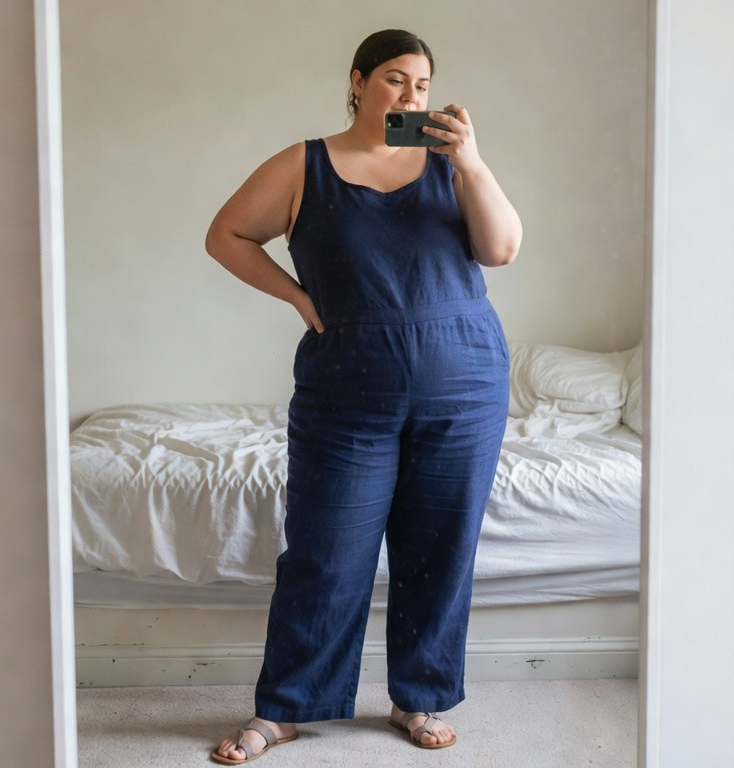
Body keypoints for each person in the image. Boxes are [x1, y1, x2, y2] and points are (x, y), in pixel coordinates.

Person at [202, 28, 522, 765]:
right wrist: (295, 297)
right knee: (324, 551)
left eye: (421, 86)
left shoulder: (452, 164)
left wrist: (468, 160)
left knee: (439, 550)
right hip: (346, 389)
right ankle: (285, 709)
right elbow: (227, 235)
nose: (410, 97)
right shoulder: (304, 164)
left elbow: (501, 247)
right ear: (356, 82)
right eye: (394, 80)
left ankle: (420, 696)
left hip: (464, 383)